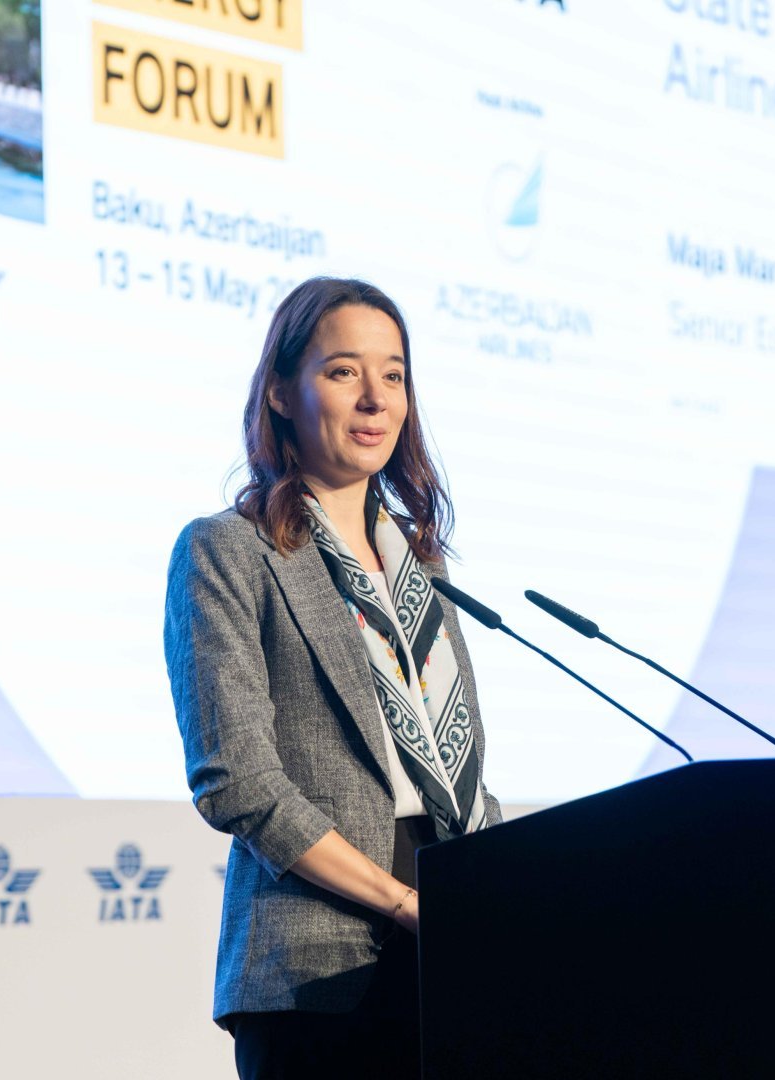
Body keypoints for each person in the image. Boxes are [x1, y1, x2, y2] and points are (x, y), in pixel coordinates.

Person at [164, 277, 502, 1079]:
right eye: (344, 371)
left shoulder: (420, 566)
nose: (375, 398)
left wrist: (496, 895)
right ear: (281, 392)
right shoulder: (229, 551)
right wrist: (405, 903)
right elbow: (237, 782)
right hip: (316, 974)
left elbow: (460, 767)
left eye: (394, 375)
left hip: (452, 949)